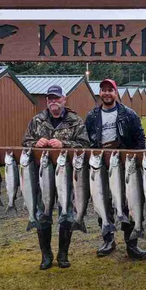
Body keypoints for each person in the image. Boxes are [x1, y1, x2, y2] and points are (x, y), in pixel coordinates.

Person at [22, 85, 90, 270]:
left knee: (66, 214)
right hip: (41, 176)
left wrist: (64, 144)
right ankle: (46, 255)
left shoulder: (76, 121)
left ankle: (63, 254)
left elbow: (84, 145)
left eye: (57, 98)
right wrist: (36, 143)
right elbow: (25, 142)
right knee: (42, 215)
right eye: (50, 98)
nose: (53, 101)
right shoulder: (37, 120)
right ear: (46, 101)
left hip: (67, 177)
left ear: (64, 100)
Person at [85, 78, 146, 260]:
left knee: (129, 202)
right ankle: (108, 240)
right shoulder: (92, 116)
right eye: (103, 90)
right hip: (100, 166)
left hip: (124, 166)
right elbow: (85, 140)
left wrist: (133, 159)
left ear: (116, 93)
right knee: (102, 200)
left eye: (109, 90)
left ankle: (132, 244)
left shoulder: (129, 114)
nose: (106, 93)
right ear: (99, 93)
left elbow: (140, 138)